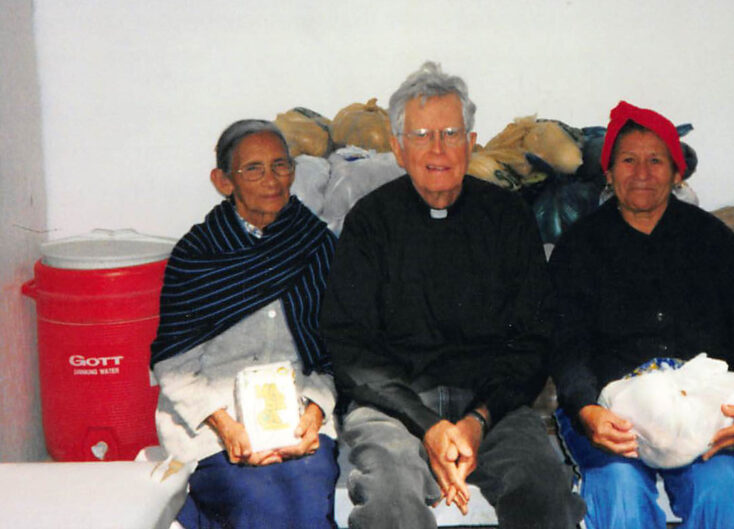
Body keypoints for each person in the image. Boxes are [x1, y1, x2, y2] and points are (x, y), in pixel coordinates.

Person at [319, 61, 585, 529]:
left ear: (472, 142)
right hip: (394, 411)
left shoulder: (507, 217)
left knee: (544, 490)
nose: (437, 149)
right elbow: (352, 348)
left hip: (491, 408)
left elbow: (533, 337)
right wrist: (428, 425)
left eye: (450, 133)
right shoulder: (370, 222)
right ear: (398, 149)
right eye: (421, 135)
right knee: (389, 501)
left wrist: (478, 421)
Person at [548, 101, 734, 529]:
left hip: (703, 411)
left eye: (656, 160)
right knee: (616, 492)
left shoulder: (713, 241)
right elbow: (567, 349)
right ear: (609, 171)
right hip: (611, 416)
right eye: (628, 160)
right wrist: (587, 410)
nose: (641, 172)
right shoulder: (579, 249)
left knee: (721, 496)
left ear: (677, 173)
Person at [150, 120, 340, 528]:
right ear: (223, 181)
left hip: (299, 419)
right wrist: (227, 427)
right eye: (253, 169)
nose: (271, 180)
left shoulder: (317, 243)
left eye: (280, 166)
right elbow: (173, 365)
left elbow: (336, 349)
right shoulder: (197, 254)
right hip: (214, 422)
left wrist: (317, 412)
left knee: (308, 499)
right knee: (259, 502)